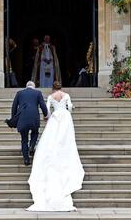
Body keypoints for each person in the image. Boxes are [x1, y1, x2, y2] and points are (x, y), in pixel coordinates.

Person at [27, 81, 85, 211]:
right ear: (61, 87)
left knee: (52, 136)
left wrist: (46, 116)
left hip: (55, 117)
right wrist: (71, 108)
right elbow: (69, 107)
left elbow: (47, 109)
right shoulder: (66, 95)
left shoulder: (51, 97)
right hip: (65, 116)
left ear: (53, 88)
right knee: (66, 137)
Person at [11, 81, 48, 166]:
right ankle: (32, 145)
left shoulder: (19, 93)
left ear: (26, 86)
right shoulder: (38, 93)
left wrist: (13, 118)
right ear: (33, 86)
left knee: (24, 140)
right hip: (34, 118)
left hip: (22, 118)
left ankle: (26, 160)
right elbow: (42, 105)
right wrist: (46, 114)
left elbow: (14, 106)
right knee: (35, 133)